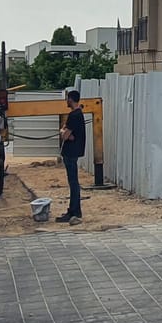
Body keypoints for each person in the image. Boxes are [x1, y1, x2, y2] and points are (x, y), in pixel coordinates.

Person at [59, 89, 87, 225]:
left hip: (71, 152)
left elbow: (65, 135)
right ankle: (74, 210)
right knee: (73, 181)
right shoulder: (78, 114)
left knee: (73, 182)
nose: (66, 101)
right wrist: (67, 134)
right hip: (74, 151)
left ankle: (74, 211)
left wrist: (63, 132)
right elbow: (69, 134)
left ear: (70, 99)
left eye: (67, 99)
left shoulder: (74, 115)